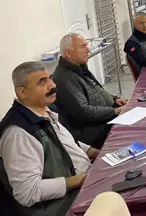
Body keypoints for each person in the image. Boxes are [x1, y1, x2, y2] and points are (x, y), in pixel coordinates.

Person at [0, 61, 97, 216]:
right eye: (42, 82)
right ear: (22, 92)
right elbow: (27, 192)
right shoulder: (18, 133)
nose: (52, 85)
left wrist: (96, 152)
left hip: (83, 183)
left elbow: (64, 142)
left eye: (50, 78)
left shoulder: (43, 109)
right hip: (62, 205)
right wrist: (79, 180)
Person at [53, 33, 127, 148]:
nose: (88, 50)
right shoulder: (64, 78)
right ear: (68, 53)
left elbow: (95, 89)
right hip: (96, 131)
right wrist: (115, 111)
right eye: (83, 46)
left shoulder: (79, 67)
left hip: (106, 116)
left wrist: (114, 99)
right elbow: (84, 112)